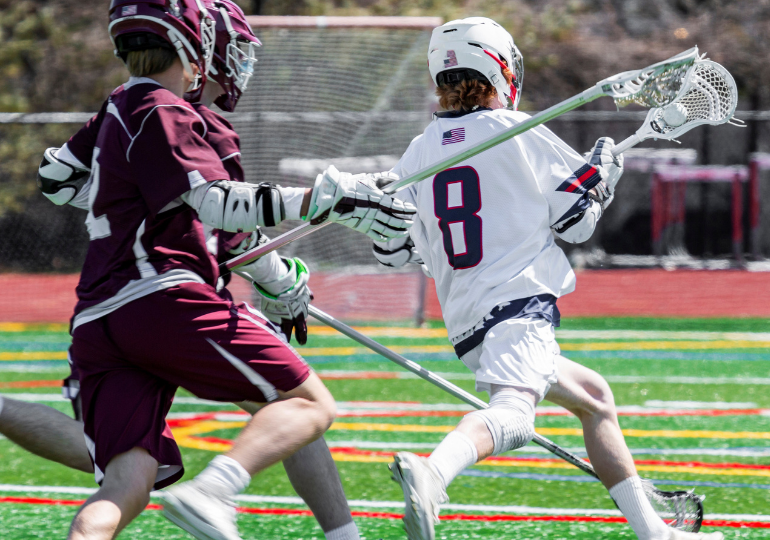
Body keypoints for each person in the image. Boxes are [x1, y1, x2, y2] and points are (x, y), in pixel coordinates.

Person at [32, 1, 414, 539]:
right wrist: (322, 199)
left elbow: (57, 178)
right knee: (307, 405)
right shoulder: (172, 111)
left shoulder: (119, 106)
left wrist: (279, 280)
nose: (238, 65)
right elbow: (218, 205)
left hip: (98, 316)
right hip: (163, 296)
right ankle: (216, 492)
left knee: (128, 479)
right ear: (196, 46)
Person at [372, 17, 722, 540]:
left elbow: (393, 249)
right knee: (515, 416)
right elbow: (575, 223)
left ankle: (655, 532)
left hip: (466, 322)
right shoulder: (520, 131)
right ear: (501, 69)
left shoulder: (421, 150)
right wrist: (602, 174)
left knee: (594, 397)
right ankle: (434, 472)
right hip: (517, 308)